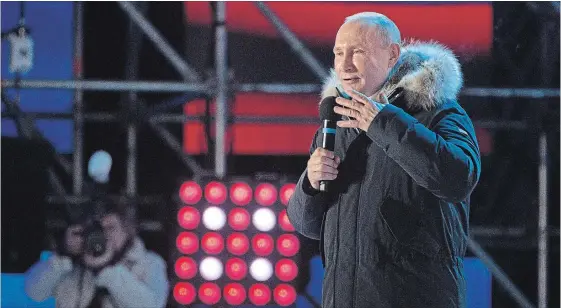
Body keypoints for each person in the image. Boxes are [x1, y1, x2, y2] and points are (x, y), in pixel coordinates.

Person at [287, 12, 481, 308]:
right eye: (339, 53)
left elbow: (458, 178)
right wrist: (310, 184)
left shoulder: (438, 112)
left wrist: (384, 122)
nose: (345, 64)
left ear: (392, 55)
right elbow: (307, 226)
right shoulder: (334, 127)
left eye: (358, 52)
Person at [25, 200, 169, 308]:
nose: (104, 234)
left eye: (110, 228)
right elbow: (34, 293)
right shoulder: (71, 264)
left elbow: (151, 305)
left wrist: (106, 270)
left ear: (127, 231)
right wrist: (64, 255)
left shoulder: (149, 262)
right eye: (98, 228)